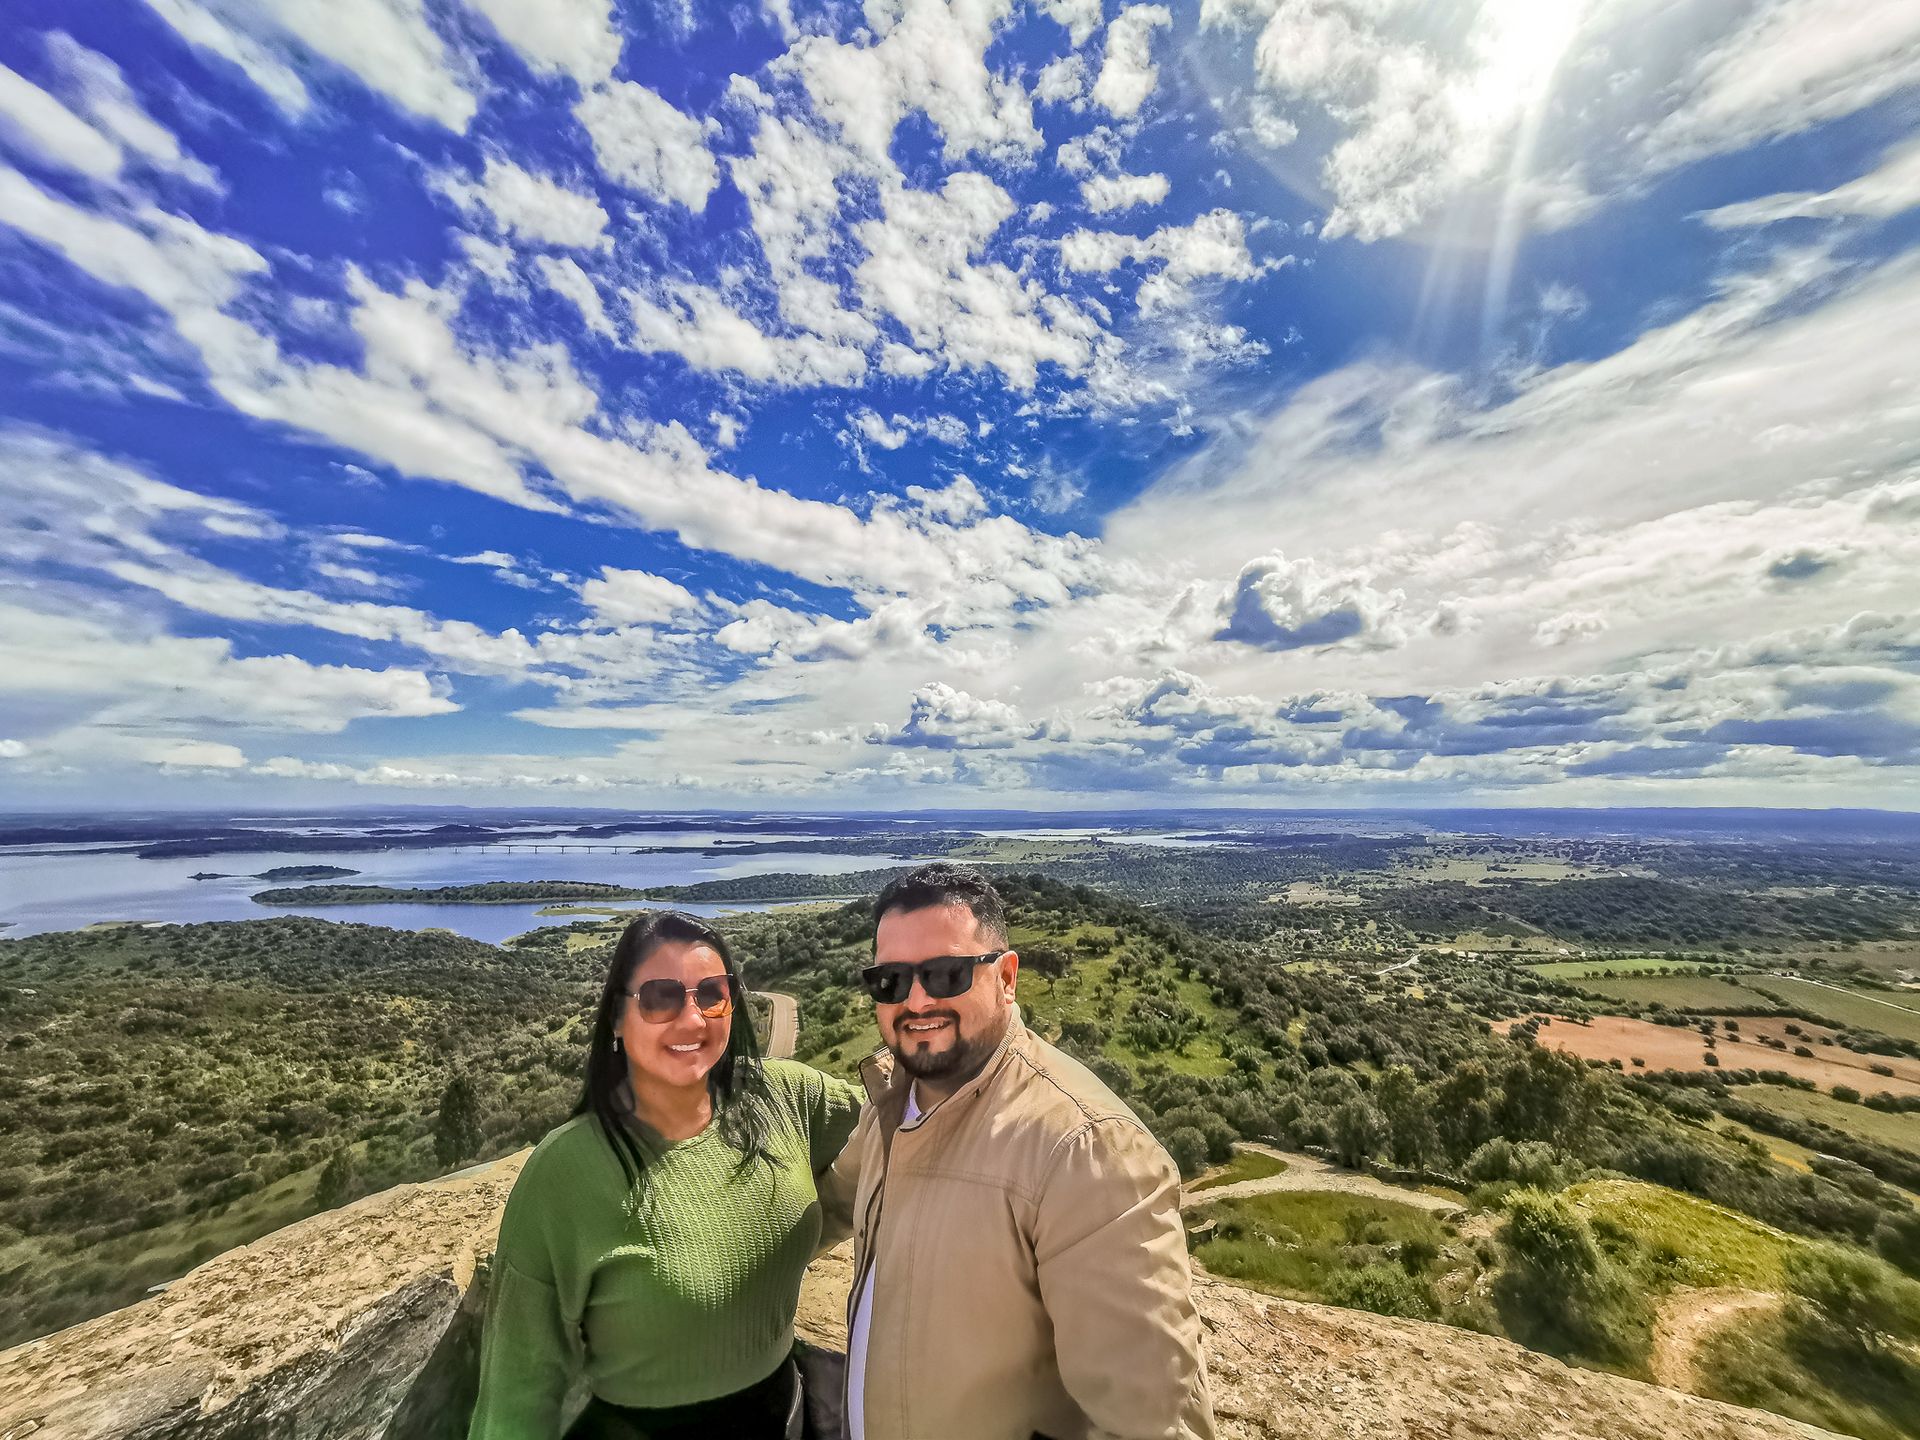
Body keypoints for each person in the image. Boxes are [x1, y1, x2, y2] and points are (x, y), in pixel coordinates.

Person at [827, 863, 1215, 1440]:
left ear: (1006, 977)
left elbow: (1151, 1421)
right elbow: (826, 1208)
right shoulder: (893, 1104)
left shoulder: (1085, 1149)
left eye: (945, 973)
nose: (915, 999)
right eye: (891, 981)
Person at [471, 910, 861, 1440]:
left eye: (712, 994)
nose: (693, 1019)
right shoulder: (566, 1174)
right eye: (660, 997)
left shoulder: (782, 1097)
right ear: (615, 1016)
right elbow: (516, 1397)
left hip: (786, 1413)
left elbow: (905, 1122)